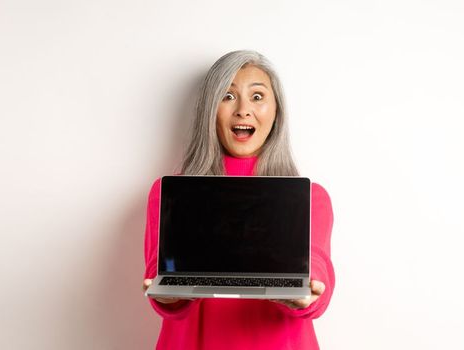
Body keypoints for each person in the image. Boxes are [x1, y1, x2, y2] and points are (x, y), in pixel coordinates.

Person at [141, 50, 335, 349]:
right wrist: (168, 294)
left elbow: (318, 265)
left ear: (276, 111)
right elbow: (159, 273)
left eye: (257, 97)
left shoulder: (312, 197)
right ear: (210, 110)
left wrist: (307, 291)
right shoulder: (168, 193)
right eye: (228, 96)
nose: (243, 110)